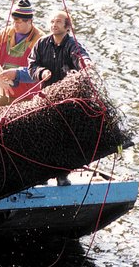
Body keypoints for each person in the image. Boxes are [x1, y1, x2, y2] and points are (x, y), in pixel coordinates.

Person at [27, 10, 92, 186]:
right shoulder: (41, 43)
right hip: (45, 97)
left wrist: (85, 64)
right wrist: (41, 72)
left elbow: (80, 57)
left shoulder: (72, 44)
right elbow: (31, 65)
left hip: (66, 101)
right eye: (52, 21)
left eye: (58, 22)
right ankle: (43, 175)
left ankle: (62, 175)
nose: (54, 24)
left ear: (67, 26)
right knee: (43, 137)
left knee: (64, 138)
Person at [0, 0, 45, 115]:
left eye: (18, 22)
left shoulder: (41, 40)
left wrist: (16, 74)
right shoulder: (4, 33)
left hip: (28, 98)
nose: (15, 25)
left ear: (29, 21)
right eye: (14, 21)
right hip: (4, 94)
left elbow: (39, 71)